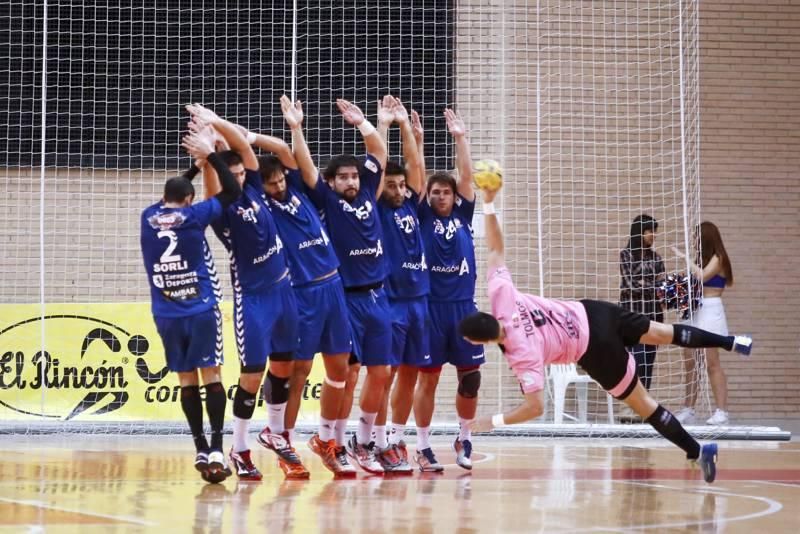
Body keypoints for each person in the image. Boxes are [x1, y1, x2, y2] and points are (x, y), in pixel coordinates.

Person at [458, 181, 754, 484]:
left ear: (476, 341)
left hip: (595, 351)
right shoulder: (501, 295)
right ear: (484, 313)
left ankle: (697, 451)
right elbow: (495, 247)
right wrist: (490, 202)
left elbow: (534, 407)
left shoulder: (522, 355)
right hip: (593, 312)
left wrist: (489, 422)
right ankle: (731, 342)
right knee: (665, 332)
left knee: (645, 405)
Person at [185, 105, 307, 480]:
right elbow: (210, 182)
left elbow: (248, 151)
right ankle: (239, 448)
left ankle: (274, 432)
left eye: (239, 173)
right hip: (253, 300)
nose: (238, 177)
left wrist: (216, 121)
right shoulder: (218, 208)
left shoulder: (254, 187)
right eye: (232, 174)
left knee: (284, 366)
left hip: (284, 289)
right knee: (252, 374)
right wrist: (207, 157)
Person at [245, 95, 357, 478]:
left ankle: (327, 440)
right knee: (298, 370)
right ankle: (282, 442)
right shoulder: (261, 203)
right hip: (302, 292)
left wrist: (292, 127)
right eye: (271, 183)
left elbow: (280, 150)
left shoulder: (296, 189)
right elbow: (251, 169)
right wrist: (240, 143)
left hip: (333, 285)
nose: (277, 185)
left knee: (340, 369)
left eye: (279, 180)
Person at [289, 96, 390, 474]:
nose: (350, 180)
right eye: (343, 177)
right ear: (333, 183)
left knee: (380, 373)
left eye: (353, 175)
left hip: (377, 295)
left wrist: (365, 124)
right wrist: (297, 129)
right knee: (345, 375)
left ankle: (362, 443)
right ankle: (330, 438)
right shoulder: (328, 201)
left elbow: (378, 153)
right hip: (344, 299)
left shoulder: (367, 192)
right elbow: (307, 167)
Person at [140, 126, 241, 483]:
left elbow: (176, 191)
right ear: (190, 200)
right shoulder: (194, 216)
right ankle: (215, 445)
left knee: (186, 380)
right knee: (211, 375)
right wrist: (211, 155)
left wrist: (194, 168)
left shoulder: (148, 218)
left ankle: (198, 445)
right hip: (199, 309)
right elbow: (232, 190)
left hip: (166, 315)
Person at [414, 108, 482, 472]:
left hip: (463, 308)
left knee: (470, 377)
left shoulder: (462, 216)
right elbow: (419, 175)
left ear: (455, 197)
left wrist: (461, 138)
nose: (441, 196)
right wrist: (420, 141)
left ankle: (464, 436)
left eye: (446, 192)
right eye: (435, 192)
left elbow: (467, 176)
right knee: (429, 378)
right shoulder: (423, 216)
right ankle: (423, 446)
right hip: (431, 309)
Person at [374, 96, 427, 474]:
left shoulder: (412, 204)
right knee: (385, 372)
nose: (397, 189)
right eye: (391, 185)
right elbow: (379, 167)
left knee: (410, 372)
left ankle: (396, 436)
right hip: (390, 300)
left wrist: (407, 125)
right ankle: (375, 439)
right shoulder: (376, 207)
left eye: (400, 185)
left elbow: (415, 166)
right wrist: (384, 126)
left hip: (419, 301)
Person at [672, 222, 736, 425]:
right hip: (695, 310)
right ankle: (688, 409)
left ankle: (722, 411)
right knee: (690, 361)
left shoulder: (719, 258)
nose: (694, 241)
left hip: (711, 310)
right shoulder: (703, 259)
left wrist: (685, 259)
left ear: (707, 238)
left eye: (697, 238)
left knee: (712, 363)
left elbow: (702, 275)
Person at [619, 214, 666, 391]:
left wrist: (652, 286)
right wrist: (654, 286)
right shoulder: (626, 255)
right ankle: (630, 406)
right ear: (639, 232)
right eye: (649, 231)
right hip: (632, 316)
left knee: (648, 363)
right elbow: (630, 284)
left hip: (654, 317)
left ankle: (642, 406)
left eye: (654, 231)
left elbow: (663, 287)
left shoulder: (657, 258)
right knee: (635, 361)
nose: (653, 235)